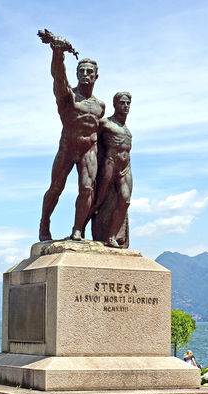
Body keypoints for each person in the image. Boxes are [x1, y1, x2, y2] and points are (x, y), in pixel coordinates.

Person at [38, 32, 106, 242]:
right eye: (81, 71)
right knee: (56, 188)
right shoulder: (68, 97)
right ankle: (45, 223)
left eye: (89, 71)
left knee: (87, 188)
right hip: (68, 146)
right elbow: (58, 77)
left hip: (88, 149)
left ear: (96, 76)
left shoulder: (100, 106)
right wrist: (58, 53)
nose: (85, 74)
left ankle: (78, 229)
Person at [90, 92, 132, 248]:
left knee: (125, 200)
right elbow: (92, 141)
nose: (126, 106)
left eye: (128, 103)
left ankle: (112, 236)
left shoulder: (127, 129)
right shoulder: (105, 123)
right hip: (110, 162)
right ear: (115, 104)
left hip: (125, 166)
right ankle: (79, 228)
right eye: (122, 102)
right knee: (98, 199)